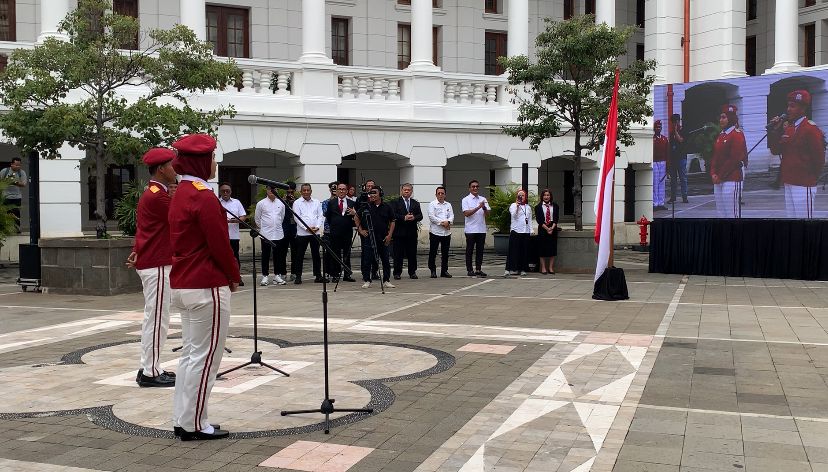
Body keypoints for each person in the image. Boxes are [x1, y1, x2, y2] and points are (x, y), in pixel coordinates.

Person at [168, 133, 240, 441]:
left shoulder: (182, 192)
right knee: (206, 358)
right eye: (211, 157)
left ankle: (183, 418)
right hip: (206, 283)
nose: (214, 163)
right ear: (201, 161)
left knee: (190, 357)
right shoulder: (203, 195)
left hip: (184, 283)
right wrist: (232, 275)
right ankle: (195, 424)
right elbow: (220, 245)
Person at [126, 148, 178, 388]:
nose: (175, 168)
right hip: (157, 263)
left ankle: (149, 365)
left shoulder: (154, 192)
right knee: (158, 319)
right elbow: (180, 218)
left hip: (154, 260)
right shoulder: (158, 195)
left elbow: (143, 228)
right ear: (161, 169)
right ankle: (150, 371)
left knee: (155, 317)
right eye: (171, 165)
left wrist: (137, 249)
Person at [768, 89, 827, 219]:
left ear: (803, 108)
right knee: (792, 220)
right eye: (788, 105)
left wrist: (810, 177)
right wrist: (775, 130)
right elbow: (776, 150)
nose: (788, 109)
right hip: (789, 181)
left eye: (793, 106)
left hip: (804, 183)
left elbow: (819, 159)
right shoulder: (789, 128)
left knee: (804, 222)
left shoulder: (810, 129)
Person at [710, 104, 748, 218]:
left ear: (730, 118)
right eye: (720, 117)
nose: (720, 120)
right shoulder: (721, 135)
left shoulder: (737, 135)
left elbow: (733, 159)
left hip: (732, 178)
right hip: (719, 179)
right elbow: (715, 157)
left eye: (723, 117)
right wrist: (713, 173)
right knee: (721, 213)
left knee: (732, 213)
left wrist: (720, 176)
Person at [354, 187, 395, 289]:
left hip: (383, 237)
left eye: (374, 193)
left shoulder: (387, 207)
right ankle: (367, 280)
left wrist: (390, 235)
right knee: (367, 259)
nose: (372, 195)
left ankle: (386, 280)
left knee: (385, 260)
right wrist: (361, 230)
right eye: (370, 193)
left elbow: (393, 221)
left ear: (380, 194)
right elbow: (356, 217)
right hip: (369, 238)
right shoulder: (366, 206)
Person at [292, 183, 325, 284]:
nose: (306, 192)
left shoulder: (316, 202)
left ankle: (318, 275)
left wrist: (318, 227)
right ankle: (298, 276)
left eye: (308, 190)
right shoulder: (297, 203)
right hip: (302, 233)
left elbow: (321, 215)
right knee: (299, 255)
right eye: (304, 190)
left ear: (311, 191)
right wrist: (306, 228)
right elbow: (296, 217)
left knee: (316, 255)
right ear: (301, 192)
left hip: (315, 232)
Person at [325, 182, 357, 282]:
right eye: (340, 189)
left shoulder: (351, 203)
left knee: (347, 253)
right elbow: (328, 217)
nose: (342, 191)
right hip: (335, 232)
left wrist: (354, 213)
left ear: (347, 191)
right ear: (337, 191)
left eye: (344, 189)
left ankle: (347, 274)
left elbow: (355, 218)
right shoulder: (331, 202)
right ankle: (335, 274)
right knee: (336, 254)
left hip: (347, 232)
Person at [255, 186, 286, 286]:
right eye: (270, 189)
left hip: (278, 233)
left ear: (277, 191)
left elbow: (282, 217)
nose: (272, 191)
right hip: (265, 234)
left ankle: (277, 275)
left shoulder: (281, 203)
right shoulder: (261, 203)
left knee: (278, 256)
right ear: (267, 191)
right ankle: (265, 276)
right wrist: (263, 228)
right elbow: (257, 219)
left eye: (274, 189)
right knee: (265, 255)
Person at [391, 183, 423, 280]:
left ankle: (412, 272)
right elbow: (393, 215)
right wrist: (404, 217)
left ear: (411, 191)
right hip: (399, 232)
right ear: (401, 191)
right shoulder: (395, 202)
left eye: (408, 190)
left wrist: (414, 217)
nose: (406, 191)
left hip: (411, 232)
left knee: (412, 253)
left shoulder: (415, 203)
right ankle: (397, 273)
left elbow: (420, 216)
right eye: (405, 190)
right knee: (398, 254)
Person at [219, 183, 247, 286]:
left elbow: (243, 216)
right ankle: (224, 277)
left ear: (231, 192)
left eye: (228, 191)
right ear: (220, 192)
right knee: (222, 257)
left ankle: (237, 277)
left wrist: (237, 220)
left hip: (234, 235)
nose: (225, 193)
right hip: (221, 236)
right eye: (223, 191)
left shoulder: (236, 202)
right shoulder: (216, 202)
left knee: (235, 257)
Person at [462, 180, 490, 277]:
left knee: (480, 250)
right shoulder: (465, 200)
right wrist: (478, 207)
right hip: (470, 230)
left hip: (481, 229)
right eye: (473, 187)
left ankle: (478, 269)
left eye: (477, 186)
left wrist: (484, 208)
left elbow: (487, 214)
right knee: (469, 250)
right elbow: (466, 214)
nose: (475, 188)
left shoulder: (483, 199)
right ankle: (469, 270)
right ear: (469, 188)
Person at [504, 188, 532, 277]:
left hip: (525, 231)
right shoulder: (513, 205)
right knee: (513, 250)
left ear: (525, 197)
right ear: (517, 196)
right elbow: (514, 215)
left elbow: (530, 220)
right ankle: (508, 269)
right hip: (516, 231)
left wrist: (530, 230)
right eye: (519, 195)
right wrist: (517, 206)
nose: (521, 197)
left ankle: (522, 269)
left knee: (523, 251)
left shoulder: (528, 207)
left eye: (523, 195)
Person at [427, 186, 454, 278]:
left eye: (442, 193)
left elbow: (451, 216)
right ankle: (432, 270)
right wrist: (443, 223)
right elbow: (431, 217)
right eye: (439, 193)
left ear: (445, 194)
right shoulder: (432, 204)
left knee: (445, 253)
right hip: (435, 232)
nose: (440, 195)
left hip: (446, 233)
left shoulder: (448, 205)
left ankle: (444, 271)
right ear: (436, 194)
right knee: (433, 252)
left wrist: (448, 222)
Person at [534, 189, 559, 275]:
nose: (546, 197)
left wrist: (551, 228)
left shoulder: (555, 206)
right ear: (542, 196)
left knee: (552, 248)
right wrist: (547, 229)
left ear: (550, 196)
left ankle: (551, 268)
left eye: (548, 195)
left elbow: (556, 219)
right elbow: (539, 220)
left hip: (553, 228)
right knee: (542, 248)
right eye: (545, 195)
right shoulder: (538, 207)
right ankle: (543, 268)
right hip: (543, 228)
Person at [1, 157, 27, 232]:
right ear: (12, 164)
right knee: (6, 213)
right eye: (16, 165)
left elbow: (24, 184)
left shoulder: (21, 172)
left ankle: (17, 228)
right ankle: (6, 229)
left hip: (17, 196)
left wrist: (15, 182)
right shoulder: (4, 171)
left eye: (19, 165)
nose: (17, 167)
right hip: (5, 196)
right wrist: (7, 181)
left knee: (16, 212)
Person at [668, 113, 689, 204]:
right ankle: (673, 197)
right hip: (673, 159)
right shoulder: (671, 133)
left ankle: (684, 196)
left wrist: (676, 131)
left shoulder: (683, 130)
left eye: (675, 122)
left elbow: (680, 140)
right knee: (673, 179)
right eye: (673, 122)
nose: (674, 124)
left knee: (683, 178)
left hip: (681, 158)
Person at [281, 182, 299, 281]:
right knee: (282, 252)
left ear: (294, 191)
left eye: (291, 192)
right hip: (284, 228)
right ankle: (283, 273)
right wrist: (283, 201)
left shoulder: (297, 202)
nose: (289, 194)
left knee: (295, 252)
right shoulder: (281, 201)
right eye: (287, 192)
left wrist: (293, 202)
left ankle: (294, 272)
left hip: (295, 229)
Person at [321, 181, 338, 279]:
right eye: (332, 188)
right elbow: (325, 213)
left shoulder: (342, 202)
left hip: (338, 231)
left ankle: (336, 273)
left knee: (337, 253)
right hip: (328, 231)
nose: (334, 189)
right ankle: (327, 272)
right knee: (328, 253)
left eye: (336, 187)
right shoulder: (326, 202)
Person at [653, 120, 670, 210]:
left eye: (659, 127)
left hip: (663, 162)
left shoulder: (665, 139)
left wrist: (668, 166)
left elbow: (667, 153)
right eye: (656, 127)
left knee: (662, 183)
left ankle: (661, 202)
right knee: (655, 183)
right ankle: (655, 203)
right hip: (655, 162)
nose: (658, 129)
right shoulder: (652, 139)